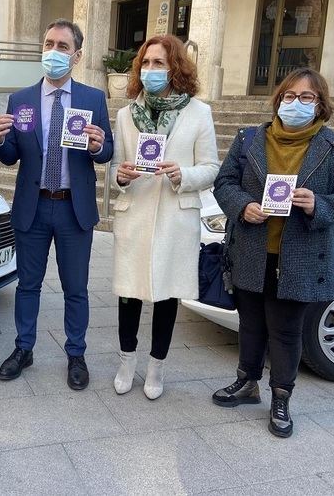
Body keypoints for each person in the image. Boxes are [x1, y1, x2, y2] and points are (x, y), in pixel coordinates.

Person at [211, 67, 334, 437]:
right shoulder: (250, 140)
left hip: (299, 256)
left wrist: (317, 205)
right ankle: (246, 382)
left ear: (320, 104)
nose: (296, 103)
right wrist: (243, 206)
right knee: (250, 324)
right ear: (278, 100)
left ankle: (281, 396)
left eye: (307, 97)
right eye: (289, 96)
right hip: (251, 249)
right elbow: (224, 182)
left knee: (285, 331)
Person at [0, 19, 113, 390]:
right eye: (48, 43)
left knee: (76, 288)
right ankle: (23, 348)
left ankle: (76, 353)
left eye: (62, 46)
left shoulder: (93, 99)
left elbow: (106, 151)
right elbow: (11, 156)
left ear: (76, 55)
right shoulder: (21, 99)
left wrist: (97, 146)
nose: (53, 51)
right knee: (28, 285)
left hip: (74, 209)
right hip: (34, 206)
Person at [110, 34, 220, 400]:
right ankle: (127, 362)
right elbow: (115, 170)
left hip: (175, 216)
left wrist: (183, 174)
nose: (151, 70)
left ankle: (156, 367)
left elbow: (211, 167)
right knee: (129, 294)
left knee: (167, 296)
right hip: (136, 215)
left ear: (175, 67)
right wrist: (122, 176)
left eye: (159, 63)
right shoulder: (126, 114)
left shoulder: (198, 113)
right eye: (146, 63)